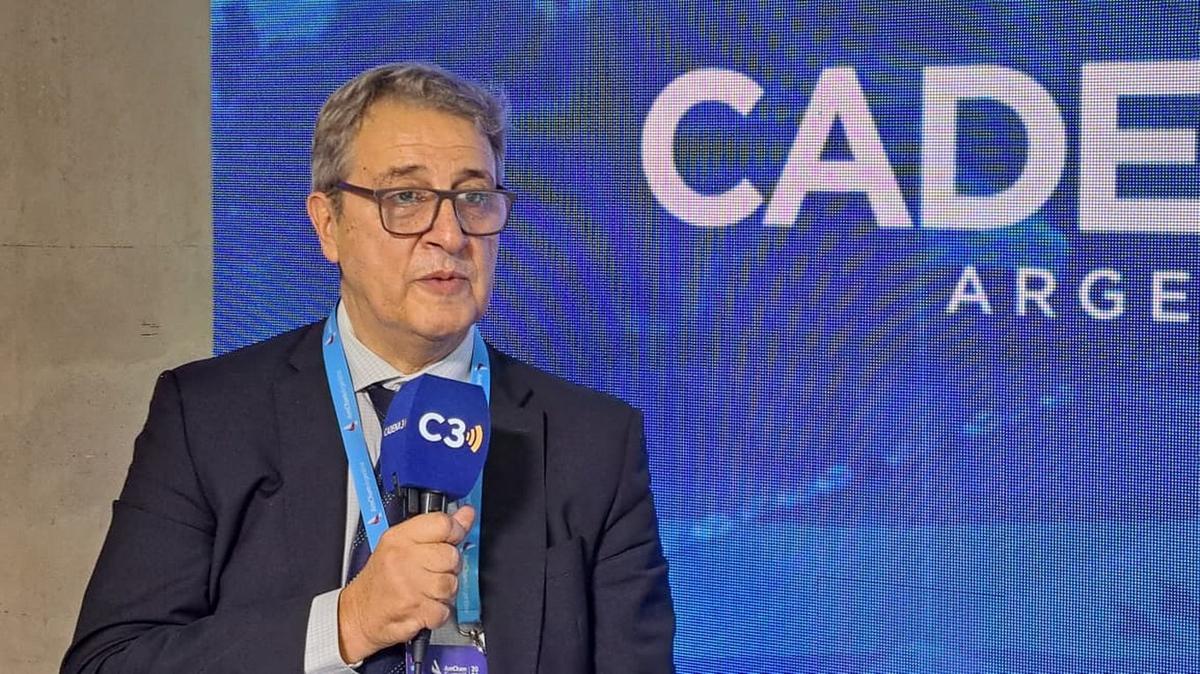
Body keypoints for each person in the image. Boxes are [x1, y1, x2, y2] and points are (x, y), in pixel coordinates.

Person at [62, 63, 675, 673]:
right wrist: (348, 623)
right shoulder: (208, 417)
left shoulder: (595, 443)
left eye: (473, 198)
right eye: (406, 198)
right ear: (328, 224)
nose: (450, 234)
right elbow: (106, 664)